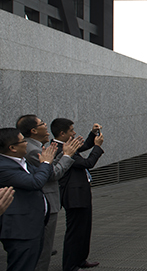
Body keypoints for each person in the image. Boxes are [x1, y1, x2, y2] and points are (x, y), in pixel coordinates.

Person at [16, 115, 82, 271]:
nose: (46, 127)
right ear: (33, 130)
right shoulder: (32, 150)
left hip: (44, 203)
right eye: (42, 124)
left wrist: (63, 153)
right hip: (44, 204)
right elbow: (52, 174)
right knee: (43, 251)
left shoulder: (37, 146)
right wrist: (67, 155)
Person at [51, 118, 104, 271]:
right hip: (74, 197)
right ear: (62, 133)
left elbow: (83, 146)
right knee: (75, 232)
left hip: (81, 194)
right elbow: (88, 163)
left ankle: (80, 260)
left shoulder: (66, 145)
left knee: (84, 229)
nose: (74, 133)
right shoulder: (60, 150)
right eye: (71, 131)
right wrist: (97, 147)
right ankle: (70, 265)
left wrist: (92, 134)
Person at [0, 127, 57, 271]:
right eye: (23, 141)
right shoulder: (4, 167)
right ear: (12, 147)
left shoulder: (21, 161)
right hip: (20, 230)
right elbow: (35, 182)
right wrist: (46, 163)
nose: (27, 143)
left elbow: (39, 176)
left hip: (34, 225)